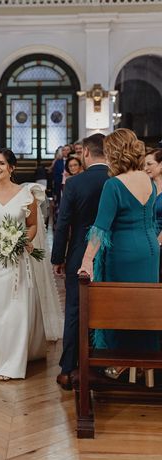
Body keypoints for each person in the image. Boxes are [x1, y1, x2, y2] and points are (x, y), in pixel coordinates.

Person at [0, 149, 62, 381]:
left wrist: (19, 242)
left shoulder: (27, 194)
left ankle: (10, 363)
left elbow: (32, 226)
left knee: (15, 309)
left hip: (17, 259)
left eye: (1, 163)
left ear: (11, 167)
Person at [79, 129, 160, 384]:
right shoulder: (149, 180)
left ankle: (120, 361)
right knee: (145, 308)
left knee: (118, 307)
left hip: (123, 252)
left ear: (114, 153)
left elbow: (100, 229)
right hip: (149, 252)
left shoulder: (113, 184)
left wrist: (86, 260)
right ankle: (144, 365)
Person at [51, 133, 109, 390]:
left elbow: (62, 224)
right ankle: (101, 365)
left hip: (79, 253)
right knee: (107, 310)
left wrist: (58, 258)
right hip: (110, 254)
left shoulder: (75, 183)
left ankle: (68, 369)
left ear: (85, 152)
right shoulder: (116, 179)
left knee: (75, 310)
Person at [144, 148, 162, 279]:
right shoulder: (146, 187)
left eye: (149, 164)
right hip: (148, 244)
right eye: (144, 165)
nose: (145, 168)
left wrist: (158, 243)